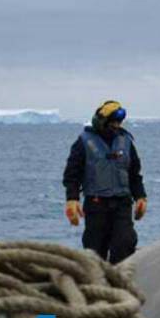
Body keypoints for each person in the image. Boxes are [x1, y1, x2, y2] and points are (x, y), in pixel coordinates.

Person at [62, 100, 147, 263]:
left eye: (118, 122)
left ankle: (118, 282)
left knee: (125, 243)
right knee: (95, 252)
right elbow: (72, 175)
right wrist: (72, 200)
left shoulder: (126, 141)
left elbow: (134, 174)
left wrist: (141, 197)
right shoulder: (84, 142)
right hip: (96, 205)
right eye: (113, 122)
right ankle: (97, 284)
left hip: (122, 203)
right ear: (102, 122)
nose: (116, 126)